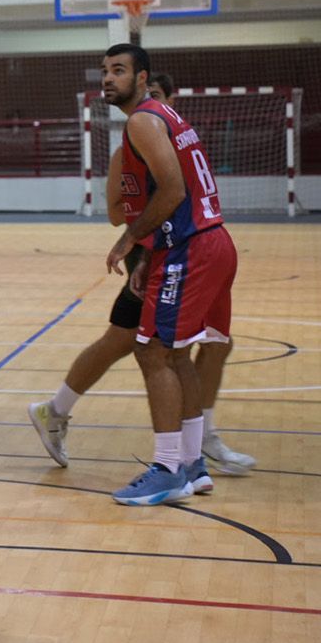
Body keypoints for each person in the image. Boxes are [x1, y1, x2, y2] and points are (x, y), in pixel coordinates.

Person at [29, 75, 256, 476]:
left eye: (155, 97)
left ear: (168, 103)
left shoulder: (173, 138)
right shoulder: (131, 148)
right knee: (138, 344)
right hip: (153, 251)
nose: (149, 105)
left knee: (207, 344)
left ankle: (194, 442)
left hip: (179, 246)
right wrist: (141, 237)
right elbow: (119, 211)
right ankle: (183, 451)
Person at [97, 44, 238, 506]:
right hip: (211, 243)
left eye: (119, 70)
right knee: (176, 356)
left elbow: (174, 190)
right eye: (104, 71)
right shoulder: (166, 117)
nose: (108, 78)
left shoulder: (142, 120)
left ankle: (166, 468)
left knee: (151, 352)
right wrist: (153, 254)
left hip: (193, 247)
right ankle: (193, 465)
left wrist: (131, 240)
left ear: (142, 79)